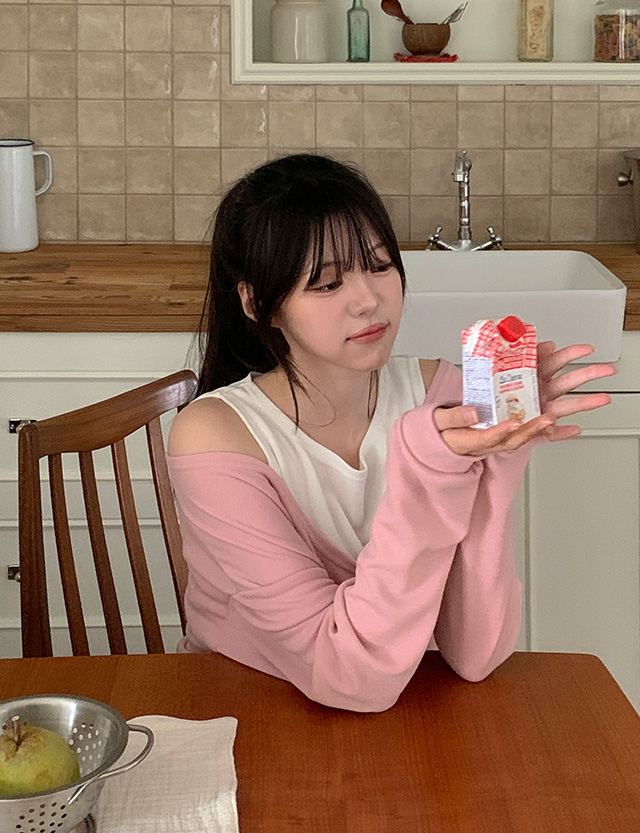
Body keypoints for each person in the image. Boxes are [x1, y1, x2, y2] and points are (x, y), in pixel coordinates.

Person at [167, 153, 615, 713]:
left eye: (379, 265)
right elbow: (349, 677)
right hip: (245, 707)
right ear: (260, 304)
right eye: (327, 283)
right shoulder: (214, 436)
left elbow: (476, 654)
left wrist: (502, 448)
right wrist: (430, 468)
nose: (368, 300)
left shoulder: (440, 393)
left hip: (407, 704)